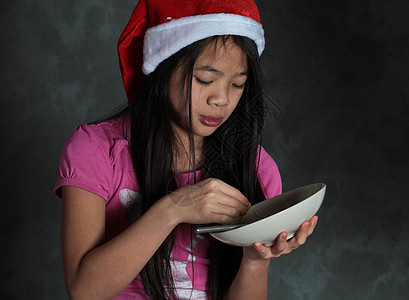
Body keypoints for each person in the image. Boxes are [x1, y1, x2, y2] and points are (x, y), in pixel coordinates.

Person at [54, 0, 318, 299]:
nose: (221, 99)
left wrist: (255, 260)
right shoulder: (97, 149)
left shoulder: (256, 167)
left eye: (238, 84)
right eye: (205, 79)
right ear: (164, 67)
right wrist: (172, 209)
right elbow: (83, 290)